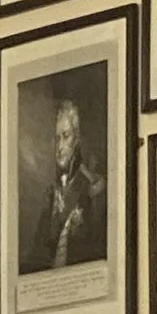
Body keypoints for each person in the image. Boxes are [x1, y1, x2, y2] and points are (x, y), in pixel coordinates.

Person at [28, 95, 106, 269]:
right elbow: (38, 253)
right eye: (57, 138)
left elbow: (96, 246)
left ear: (77, 140)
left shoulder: (93, 187)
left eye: (66, 136)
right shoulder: (51, 193)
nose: (60, 147)